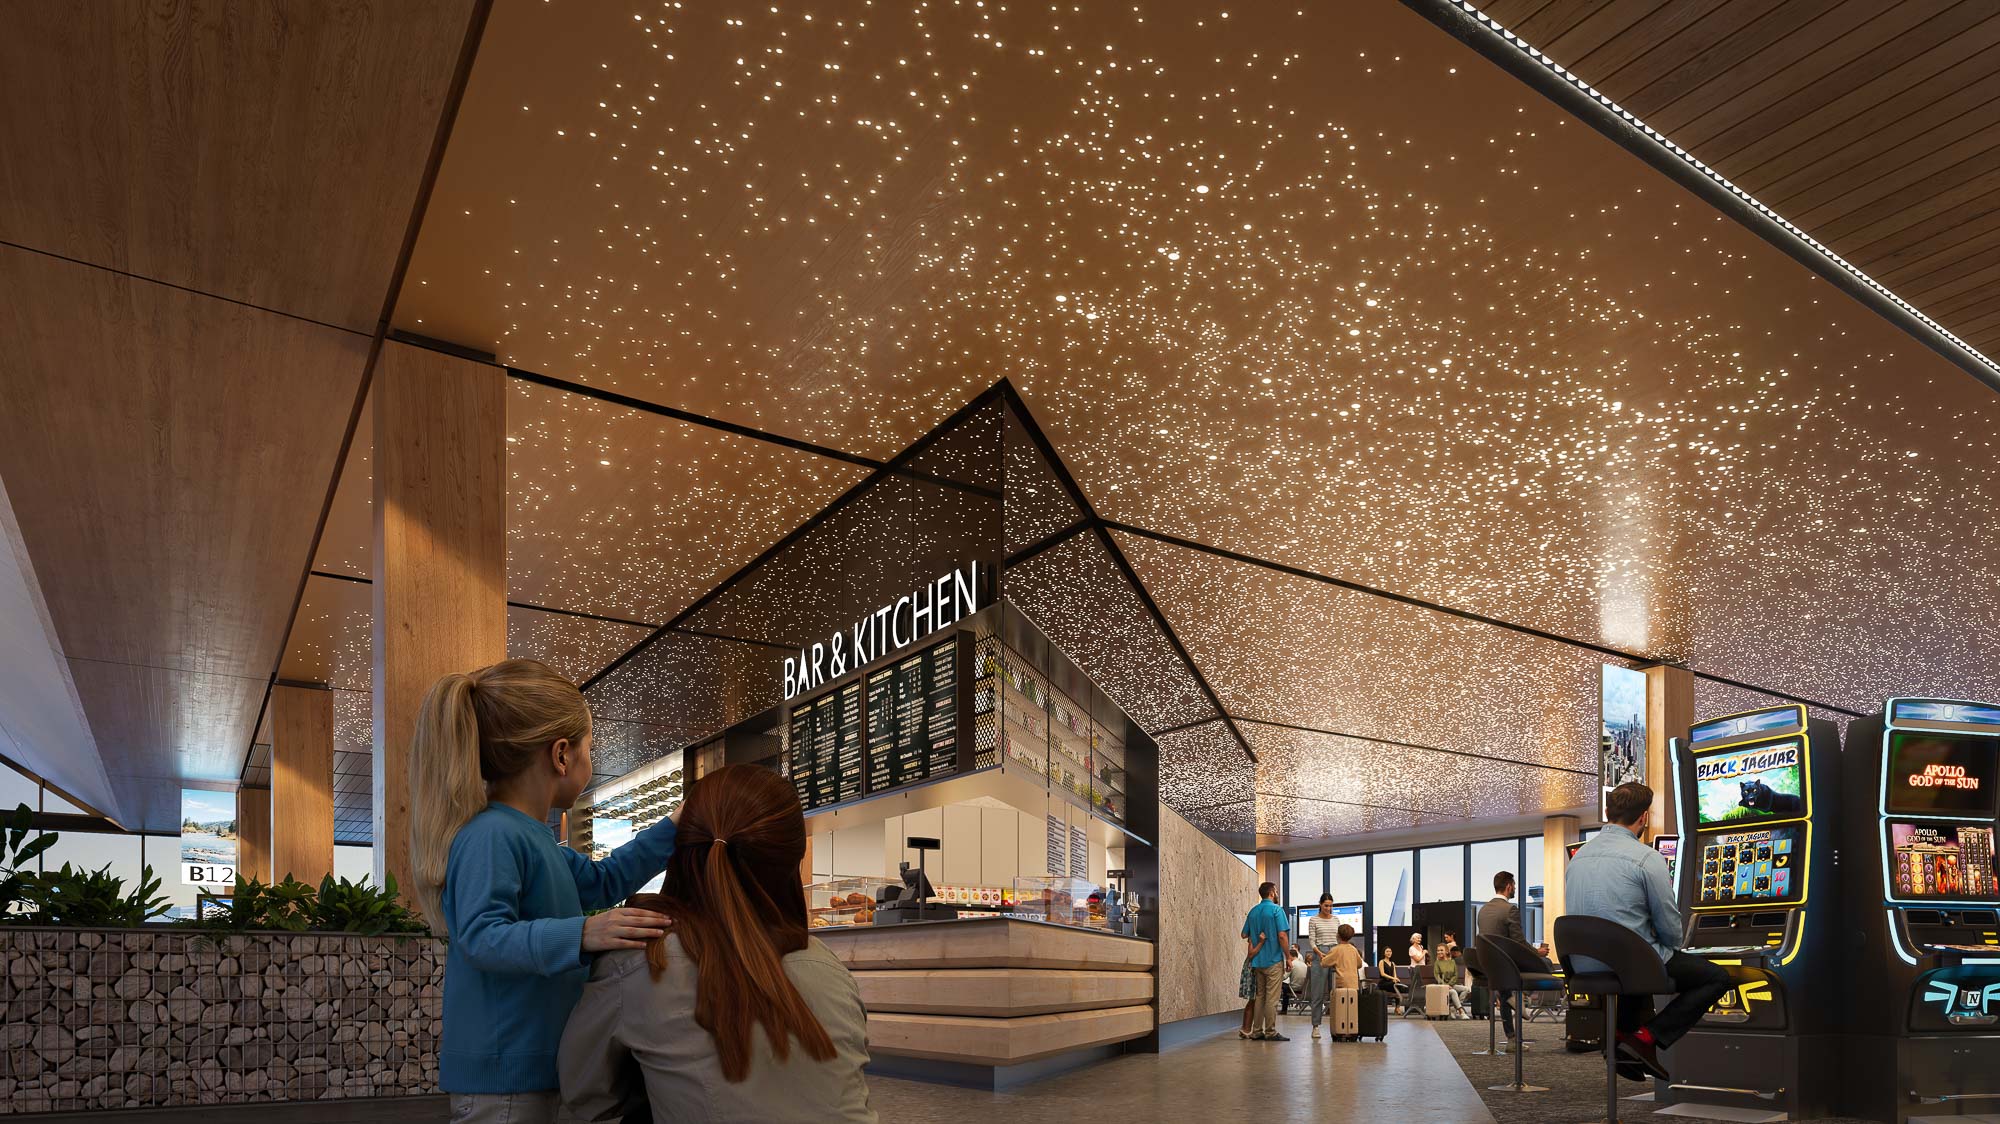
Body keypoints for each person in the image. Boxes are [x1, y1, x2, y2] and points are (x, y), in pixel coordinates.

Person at [409, 659, 680, 1124]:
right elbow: (481, 936)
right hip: (506, 1083)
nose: (590, 763)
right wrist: (582, 934)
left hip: (536, 1074)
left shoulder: (537, 840)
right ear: (561, 755)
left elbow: (604, 881)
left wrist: (676, 825)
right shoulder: (491, 835)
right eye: (589, 749)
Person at [559, 765, 876, 1122]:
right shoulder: (831, 969)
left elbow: (584, 1103)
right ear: (794, 860)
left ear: (680, 849)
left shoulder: (637, 960)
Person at [1567, 781, 1734, 1082]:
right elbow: (1671, 929)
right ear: (1644, 817)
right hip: (1628, 963)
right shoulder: (1647, 858)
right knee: (1716, 977)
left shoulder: (1578, 857)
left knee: (1637, 958)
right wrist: (1675, 943)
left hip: (1584, 965)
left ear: (1607, 812)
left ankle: (1623, 1037)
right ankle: (1646, 1038)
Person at [1478, 870, 1528, 1047]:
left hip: (1486, 966)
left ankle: (1512, 1039)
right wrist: (1537, 953)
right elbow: (1519, 941)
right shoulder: (1510, 909)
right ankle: (1523, 999)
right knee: (1543, 964)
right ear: (1508, 887)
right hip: (1504, 966)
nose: (1514, 888)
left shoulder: (1483, 910)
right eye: (1514, 885)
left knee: (1505, 991)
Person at [1240, 882, 1293, 1041]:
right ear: (1271, 893)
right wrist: (1288, 957)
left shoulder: (1253, 911)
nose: (1276, 893)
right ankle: (1270, 1031)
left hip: (1257, 962)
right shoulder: (1277, 910)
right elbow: (1282, 936)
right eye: (1276, 891)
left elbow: (1244, 934)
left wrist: (1255, 937)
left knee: (1260, 996)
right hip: (1273, 960)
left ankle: (1257, 1031)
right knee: (1272, 998)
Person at [1304, 894, 1342, 1038]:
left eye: (1331, 905)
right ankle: (1315, 1026)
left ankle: (1339, 1023)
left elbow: (1338, 939)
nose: (1328, 908)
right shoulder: (1313, 919)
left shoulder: (1336, 919)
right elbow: (1312, 940)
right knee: (1318, 992)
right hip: (1319, 953)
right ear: (1320, 904)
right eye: (1326, 905)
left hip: (1334, 951)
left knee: (1337, 992)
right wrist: (1319, 953)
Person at [1434, 946, 1471, 1018]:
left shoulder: (1452, 962)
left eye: (1441, 950)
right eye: (1438, 950)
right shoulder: (1437, 963)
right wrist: (1446, 985)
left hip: (1452, 985)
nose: (1439, 952)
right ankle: (1461, 1011)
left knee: (1466, 989)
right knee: (1453, 992)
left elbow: (1455, 975)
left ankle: (1454, 1009)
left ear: (1447, 951)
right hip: (1442, 986)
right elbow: (1437, 976)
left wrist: (1450, 984)